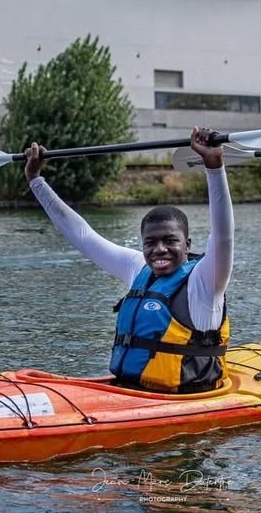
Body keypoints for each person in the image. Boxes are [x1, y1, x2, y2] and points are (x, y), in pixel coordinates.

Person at [24, 127, 232, 394]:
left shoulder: (206, 280)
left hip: (182, 399)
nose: (159, 249)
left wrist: (214, 168)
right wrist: (35, 180)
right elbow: (83, 236)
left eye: (170, 241)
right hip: (128, 390)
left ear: (187, 244)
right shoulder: (138, 269)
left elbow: (223, 235)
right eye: (150, 242)